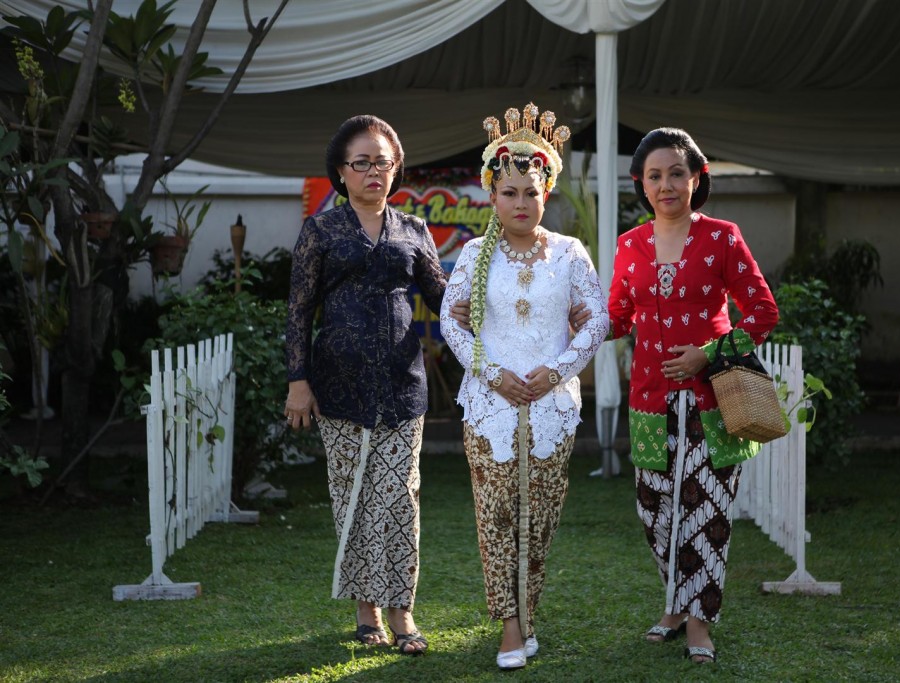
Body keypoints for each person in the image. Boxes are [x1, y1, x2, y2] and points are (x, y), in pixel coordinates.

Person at [439, 104, 609, 670]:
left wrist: (558, 370)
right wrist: (491, 373)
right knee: (496, 517)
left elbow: (597, 320)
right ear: (492, 195)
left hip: (551, 407)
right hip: (489, 406)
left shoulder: (569, 253)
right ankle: (510, 628)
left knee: (539, 520)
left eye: (530, 193)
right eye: (509, 193)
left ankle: (527, 615)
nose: (520, 203)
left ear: (546, 193)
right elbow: (451, 323)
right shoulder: (473, 254)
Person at [607, 128, 779, 664]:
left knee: (707, 515)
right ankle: (676, 605)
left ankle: (699, 622)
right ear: (641, 183)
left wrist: (708, 353)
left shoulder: (723, 237)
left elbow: (763, 313)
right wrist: (562, 324)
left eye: (676, 173)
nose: (666, 185)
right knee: (655, 512)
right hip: (649, 401)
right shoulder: (629, 245)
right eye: (655, 176)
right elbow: (617, 317)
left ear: (696, 178)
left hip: (712, 401)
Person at [284, 114, 446, 655]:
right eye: (362, 162)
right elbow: (299, 311)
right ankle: (366, 607)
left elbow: (444, 300)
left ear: (396, 168)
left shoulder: (414, 230)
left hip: (402, 387)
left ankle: (402, 610)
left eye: (383, 161)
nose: (374, 171)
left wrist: (491, 289)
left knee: (399, 497)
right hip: (338, 386)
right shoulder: (320, 231)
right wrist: (298, 381)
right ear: (341, 171)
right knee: (352, 496)